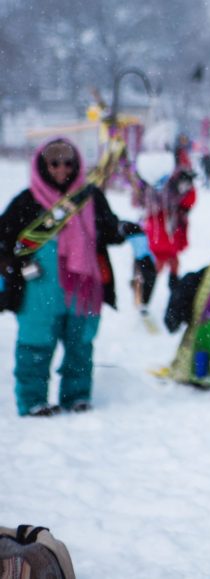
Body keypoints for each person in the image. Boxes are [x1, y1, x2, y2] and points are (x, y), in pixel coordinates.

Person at [0, 138, 125, 416]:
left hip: (83, 290)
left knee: (80, 345)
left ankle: (77, 396)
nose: (61, 169)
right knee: (35, 345)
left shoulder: (89, 198)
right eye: (53, 163)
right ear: (43, 166)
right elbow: (4, 240)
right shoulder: (27, 201)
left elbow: (109, 230)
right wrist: (14, 267)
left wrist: (130, 232)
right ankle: (33, 400)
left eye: (68, 162)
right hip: (39, 291)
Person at [141, 168, 197, 279]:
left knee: (170, 258)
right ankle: (149, 285)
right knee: (162, 258)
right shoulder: (163, 187)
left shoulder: (176, 190)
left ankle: (165, 284)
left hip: (169, 228)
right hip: (162, 227)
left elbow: (188, 202)